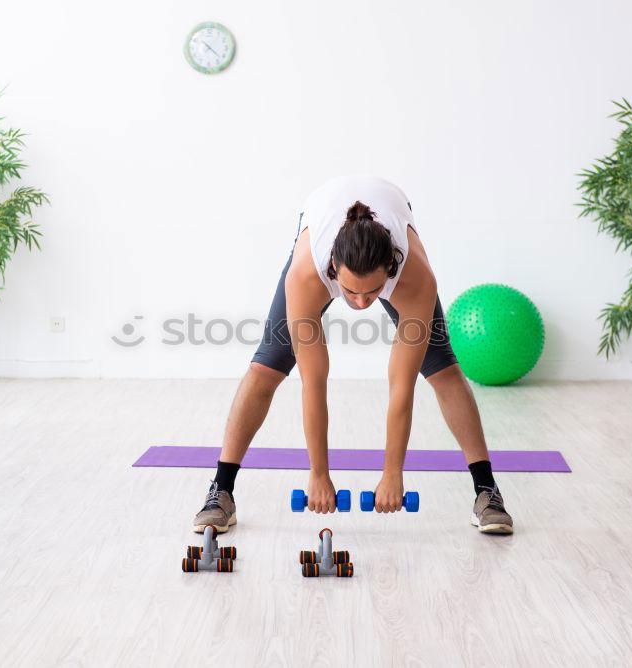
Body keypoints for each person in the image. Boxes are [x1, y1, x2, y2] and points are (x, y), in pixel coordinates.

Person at [192, 175, 514, 535]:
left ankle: (487, 490)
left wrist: (393, 472)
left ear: (390, 269)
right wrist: (318, 474)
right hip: (321, 215)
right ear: (333, 269)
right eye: (349, 291)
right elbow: (313, 384)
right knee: (267, 366)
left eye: (373, 291)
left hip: (393, 212)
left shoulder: (415, 279)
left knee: (442, 369)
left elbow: (401, 388)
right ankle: (220, 491)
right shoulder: (306, 276)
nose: (360, 303)